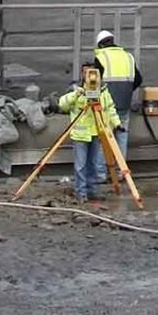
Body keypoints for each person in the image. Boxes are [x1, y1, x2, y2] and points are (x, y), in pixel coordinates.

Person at [57, 63, 122, 206]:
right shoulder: (76, 90)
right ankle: (81, 193)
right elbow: (62, 104)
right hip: (81, 135)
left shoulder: (103, 91)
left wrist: (117, 123)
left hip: (97, 132)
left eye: (92, 72)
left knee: (93, 164)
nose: (90, 76)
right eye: (86, 73)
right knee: (81, 166)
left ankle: (93, 191)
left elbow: (110, 108)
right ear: (82, 74)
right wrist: (77, 94)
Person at [94, 31, 141, 160]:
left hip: (106, 106)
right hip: (124, 103)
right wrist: (127, 90)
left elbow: (95, 83)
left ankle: (102, 170)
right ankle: (121, 168)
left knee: (104, 138)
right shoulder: (128, 57)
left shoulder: (101, 57)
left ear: (100, 45)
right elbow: (138, 79)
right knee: (122, 136)